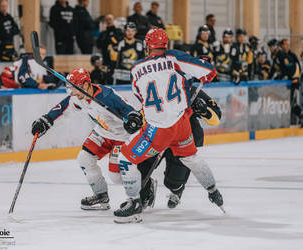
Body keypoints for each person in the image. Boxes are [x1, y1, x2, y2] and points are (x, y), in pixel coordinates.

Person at [113, 28, 220, 223]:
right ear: (166, 45)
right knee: (192, 159)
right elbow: (210, 72)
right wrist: (204, 71)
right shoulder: (176, 59)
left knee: (126, 158)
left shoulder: (136, 69)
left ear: (147, 47)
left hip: (158, 129)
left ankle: (134, 203)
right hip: (181, 124)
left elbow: (141, 96)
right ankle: (213, 191)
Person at [31, 68, 157, 211]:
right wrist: (46, 120)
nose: (73, 92)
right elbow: (61, 108)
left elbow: (130, 111)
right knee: (84, 159)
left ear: (86, 84)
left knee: (116, 177)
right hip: (102, 133)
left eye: (75, 88)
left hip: (122, 136)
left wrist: (133, 118)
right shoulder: (77, 97)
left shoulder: (107, 96)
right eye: (71, 88)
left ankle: (147, 185)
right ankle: (101, 195)